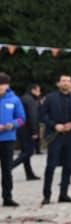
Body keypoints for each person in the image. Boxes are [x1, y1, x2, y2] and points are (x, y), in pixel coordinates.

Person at [39, 74, 71, 204]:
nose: (66, 83)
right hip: (55, 136)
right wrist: (54, 125)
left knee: (68, 166)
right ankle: (47, 195)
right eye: (63, 81)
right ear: (58, 83)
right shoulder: (49, 98)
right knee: (51, 166)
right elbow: (42, 115)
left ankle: (63, 194)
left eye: (68, 81)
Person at [0, 73, 27, 207]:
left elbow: (22, 118)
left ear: (7, 85)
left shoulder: (14, 100)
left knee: (6, 169)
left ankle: (7, 196)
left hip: (7, 138)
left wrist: (13, 124)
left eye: (2, 84)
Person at [14, 83, 41, 180]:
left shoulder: (23, 98)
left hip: (21, 129)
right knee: (28, 152)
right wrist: (34, 132)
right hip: (28, 130)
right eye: (38, 90)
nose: (40, 93)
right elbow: (32, 116)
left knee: (25, 151)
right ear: (33, 90)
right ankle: (8, 168)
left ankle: (29, 174)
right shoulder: (30, 100)